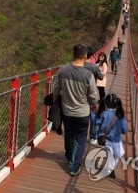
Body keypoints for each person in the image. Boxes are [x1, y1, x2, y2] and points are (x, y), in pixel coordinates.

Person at [53, 44, 98, 176]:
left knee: (69, 134)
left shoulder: (63, 70)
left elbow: (56, 89)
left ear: (73, 54)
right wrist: (94, 106)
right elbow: (93, 96)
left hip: (67, 111)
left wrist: (55, 100)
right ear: (85, 56)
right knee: (80, 138)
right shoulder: (88, 75)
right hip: (83, 113)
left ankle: (69, 155)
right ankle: (74, 166)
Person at [98, 94, 128, 179]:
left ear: (106, 104)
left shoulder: (104, 113)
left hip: (107, 139)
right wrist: (122, 131)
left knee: (109, 154)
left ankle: (109, 168)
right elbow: (125, 129)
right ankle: (112, 168)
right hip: (117, 139)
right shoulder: (120, 115)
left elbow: (99, 123)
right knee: (117, 155)